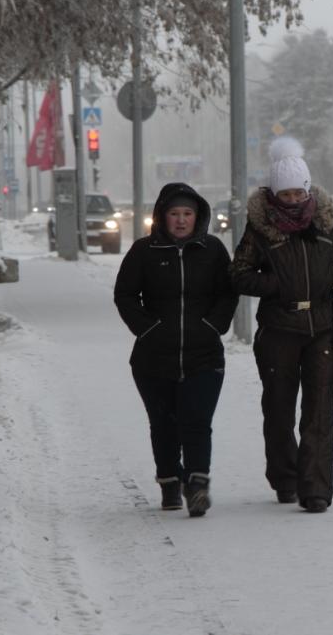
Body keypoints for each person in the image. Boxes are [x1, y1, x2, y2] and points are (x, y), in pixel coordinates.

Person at [230, 136, 333, 514]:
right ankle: (285, 478)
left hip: (320, 329)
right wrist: (276, 285)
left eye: (296, 194)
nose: (291, 201)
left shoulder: (325, 222)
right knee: (280, 409)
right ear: (273, 194)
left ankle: (316, 488)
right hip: (278, 331)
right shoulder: (261, 228)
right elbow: (238, 274)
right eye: (283, 195)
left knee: (319, 413)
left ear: (306, 190)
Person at [114, 183, 238, 517]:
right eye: (174, 214)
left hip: (204, 356)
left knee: (197, 421)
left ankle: (197, 485)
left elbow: (228, 294)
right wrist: (148, 329)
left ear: (197, 217)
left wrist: (212, 325)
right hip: (153, 358)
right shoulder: (144, 251)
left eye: (187, 214)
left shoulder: (212, 250)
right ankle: (170, 483)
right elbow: (125, 295)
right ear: (162, 217)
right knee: (164, 424)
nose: (181, 221)